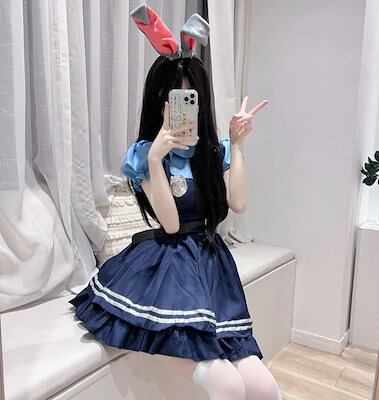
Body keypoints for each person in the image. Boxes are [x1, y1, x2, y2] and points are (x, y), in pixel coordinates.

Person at [69, 4, 282, 399]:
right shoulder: (145, 154)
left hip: (211, 264)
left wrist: (237, 145)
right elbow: (169, 224)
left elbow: (237, 204)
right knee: (226, 385)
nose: (187, 106)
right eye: (177, 96)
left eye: (192, 96)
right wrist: (155, 158)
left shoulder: (213, 151)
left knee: (264, 387)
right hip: (168, 265)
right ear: (161, 102)